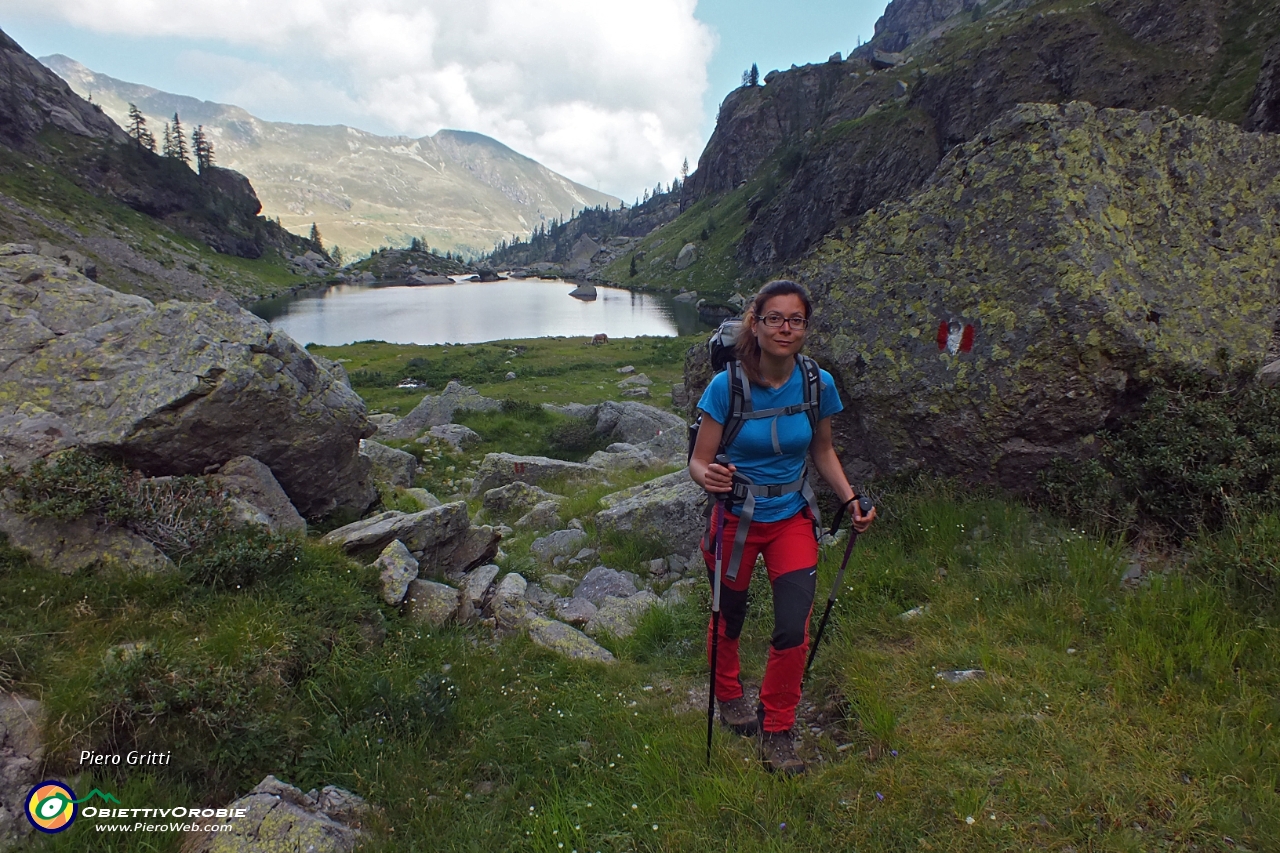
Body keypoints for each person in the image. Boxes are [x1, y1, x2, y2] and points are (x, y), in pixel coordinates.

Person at [688, 279, 875, 775]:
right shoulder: (726, 385)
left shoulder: (818, 384)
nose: (785, 328)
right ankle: (728, 694)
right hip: (736, 518)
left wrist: (850, 498)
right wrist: (711, 478)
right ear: (756, 323)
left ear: (805, 327)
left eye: (795, 320)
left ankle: (778, 727)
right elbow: (698, 461)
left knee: (794, 624)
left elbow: (822, 449)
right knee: (729, 614)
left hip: (791, 517)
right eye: (775, 318)